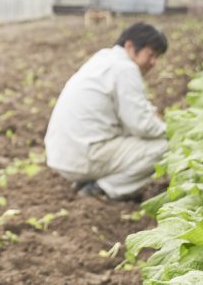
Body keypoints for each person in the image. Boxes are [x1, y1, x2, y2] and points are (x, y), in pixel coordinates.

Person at [44, 22, 169, 201]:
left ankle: (88, 180)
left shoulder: (104, 58)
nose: (153, 63)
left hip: (65, 154)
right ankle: (102, 189)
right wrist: (170, 131)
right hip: (85, 155)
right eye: (151, 54)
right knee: (165, 146)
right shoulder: (125, 69)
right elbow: (141, 126)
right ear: (130, 46)